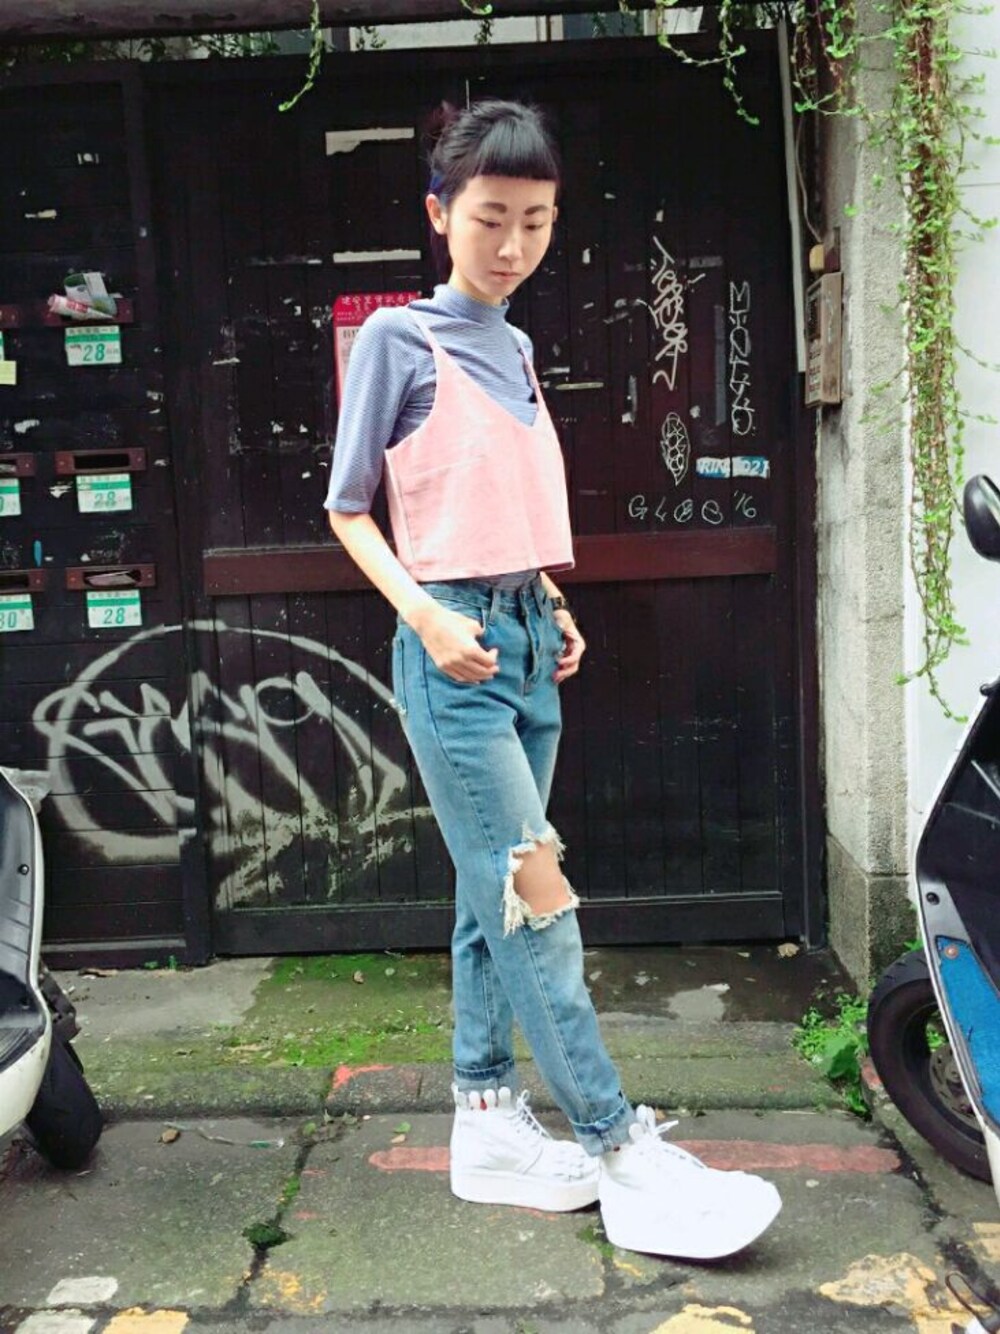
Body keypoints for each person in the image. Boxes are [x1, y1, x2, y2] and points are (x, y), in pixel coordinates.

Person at [325, 98, 781, 1259]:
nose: (513, 244)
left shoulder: (519, 346)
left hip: (526, 640)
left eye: (536, 220)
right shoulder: (400, 341)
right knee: (535, 896)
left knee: (491, 894)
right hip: (456, 651)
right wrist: (426, 616)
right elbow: (347, 508)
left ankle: (486, 1117)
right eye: (490, 218)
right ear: (439, 214)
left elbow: (492, 502)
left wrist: (552, 599)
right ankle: (618, 1146)